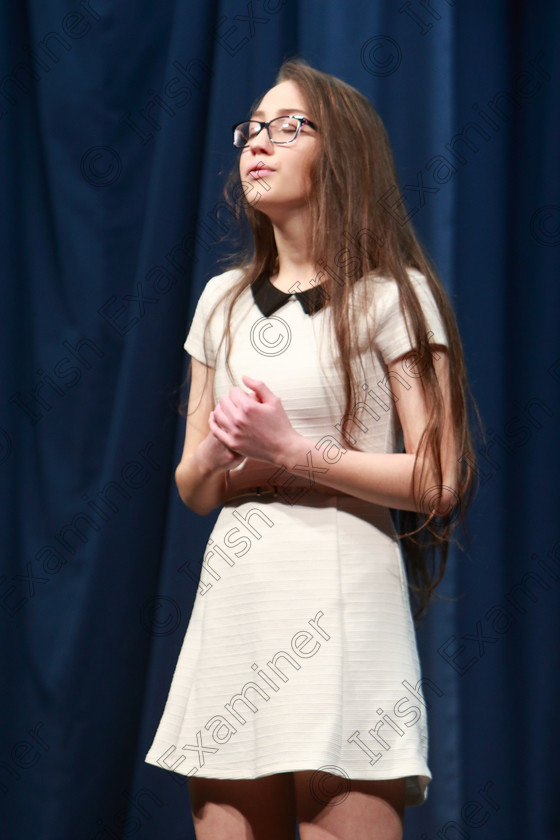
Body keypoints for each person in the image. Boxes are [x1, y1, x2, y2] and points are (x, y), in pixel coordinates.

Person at [144, 58, 479, 840]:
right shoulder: (220, 303)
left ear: (344, 154)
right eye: (251, 129)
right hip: (239, 599)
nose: (258, 144)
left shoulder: (394, 294)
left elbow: (439, 476)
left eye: (288, 127)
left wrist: (291, 449)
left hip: (343, 594)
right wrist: (222, 454)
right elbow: (194, 485)